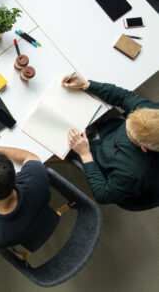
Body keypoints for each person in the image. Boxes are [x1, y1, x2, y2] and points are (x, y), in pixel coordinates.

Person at [62, 74, 159, 207]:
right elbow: (125, 98)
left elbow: (102, 194)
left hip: (105, 165)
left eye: (129, 132)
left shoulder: (132, 175)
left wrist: (85, 155)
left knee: (57, 141)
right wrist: (86, 85)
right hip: (111, 131)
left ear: (143, 147)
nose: (126, 127)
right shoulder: (154, 114)